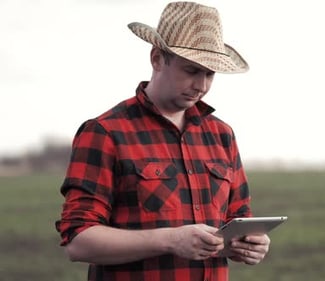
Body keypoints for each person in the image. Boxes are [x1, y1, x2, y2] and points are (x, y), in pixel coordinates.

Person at [55, 2, 271, 280]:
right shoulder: (105, 132)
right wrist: (169, 240)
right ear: (157, 59)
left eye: (209, 74)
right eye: (192, 71)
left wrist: (250, 245)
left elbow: (238, 220)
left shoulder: (221, 135)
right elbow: (78, 242)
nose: (202, 86)